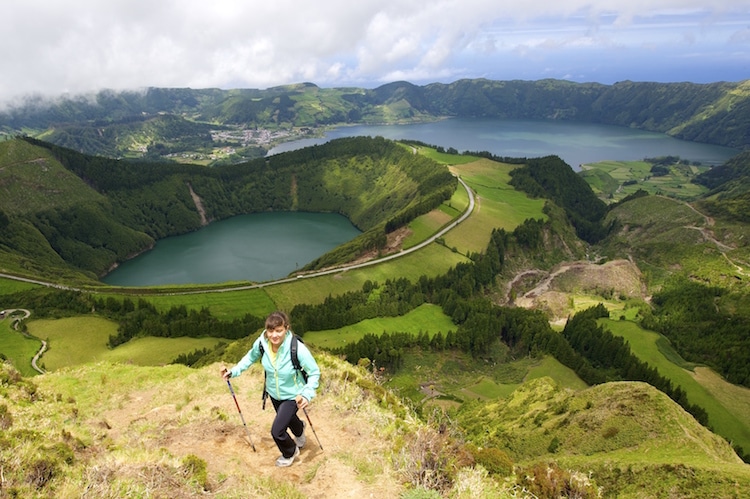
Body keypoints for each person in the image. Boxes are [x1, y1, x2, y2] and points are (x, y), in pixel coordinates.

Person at [221, 311, 320, 467]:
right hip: (273, 393)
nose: (274, 335)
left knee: (277, 431)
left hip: (294, 395)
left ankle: (290, 452)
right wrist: (233, 372)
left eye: (279, 330)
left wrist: (307, 394)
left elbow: (314, 372)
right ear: (266, 331)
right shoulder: (262, 344)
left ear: (286, 329)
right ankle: (300, 430)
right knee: (288, 418)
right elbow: (249, 358)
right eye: (271, 331)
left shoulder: (296, 348)